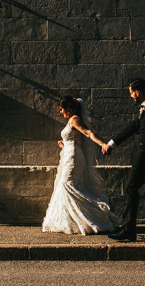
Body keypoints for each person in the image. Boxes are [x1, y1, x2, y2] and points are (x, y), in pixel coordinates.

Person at [41, 96, 119, 234]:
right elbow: (75, 139)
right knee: (68, 185)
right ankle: (71, 220)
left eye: (62, 109)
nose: (61, 112)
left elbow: (87, 133)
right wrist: (64, 145)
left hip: (74, 158)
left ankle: (95, 215)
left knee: (67, 184)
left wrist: (103, 144)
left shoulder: (74, 120)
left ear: (69, 109)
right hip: (70, 154)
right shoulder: (71, 120)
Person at [103, 78, 145, 241]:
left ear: (138, 92)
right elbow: (132, 128)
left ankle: (128, 229)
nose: (131, 96)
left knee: (131, 189)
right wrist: (112, 143)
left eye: (131, 93)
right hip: (143, 159)